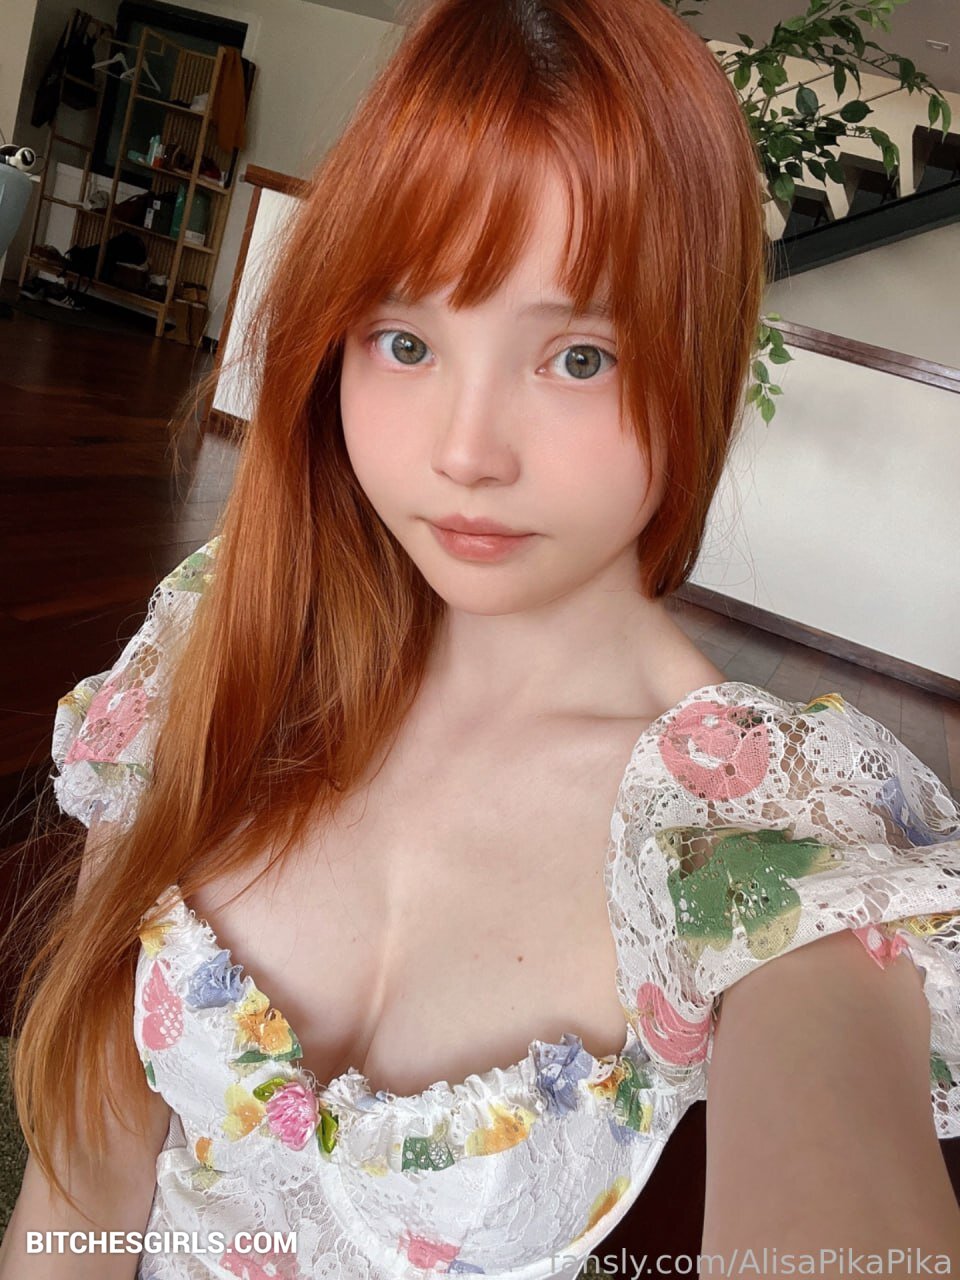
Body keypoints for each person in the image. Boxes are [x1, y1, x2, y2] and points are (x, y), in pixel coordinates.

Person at [3, 0, 960, 1276]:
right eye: (405, 341)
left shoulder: (754, 818)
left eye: (579, 357)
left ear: (700, 362)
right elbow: (81, 1192)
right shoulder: (223, 636)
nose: (465, 452)